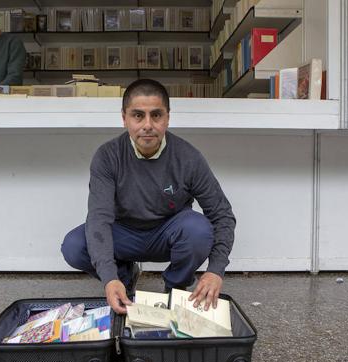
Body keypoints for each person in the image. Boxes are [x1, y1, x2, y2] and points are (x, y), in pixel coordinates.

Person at [61, 79, 236, 315]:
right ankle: (124, 278)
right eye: (138, 116)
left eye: (156, 115)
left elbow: (222, 215)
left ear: (168, 118)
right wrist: (109, 278)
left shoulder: (188, 157)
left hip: (168, 234)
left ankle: (175, 285)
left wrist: (216, 270)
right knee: (74, 245)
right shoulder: (107, 156)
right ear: (124, 118)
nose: (147, 125)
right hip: (123, 234)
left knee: (199, 230)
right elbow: (99, 218)